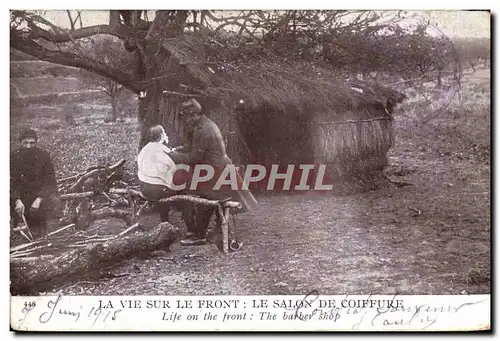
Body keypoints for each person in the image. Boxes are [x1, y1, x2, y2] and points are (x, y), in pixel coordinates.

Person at [169, 98, 258, 246]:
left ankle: (200, 235)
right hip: (217, 167)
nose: (185, 121)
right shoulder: (205, 124)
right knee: (214, 200)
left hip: (214, 170)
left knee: (207, 199)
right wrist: (182, 148)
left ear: (193, 115)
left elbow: (194, 157)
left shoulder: (203, 130)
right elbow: (197, 148)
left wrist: (173, 156)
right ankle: (214, 229)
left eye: (186, 117)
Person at [137, 124, 195, 230]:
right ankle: (191, 229)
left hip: (143, 187)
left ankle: (165, 220)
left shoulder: (145, 148)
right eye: (164, 133)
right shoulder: (162, 149)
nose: (166, 135)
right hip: (156, 189)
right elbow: (179, 159)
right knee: (184, 192)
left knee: (164, 183)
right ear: (161, 135)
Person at [10, 129, 59, 240]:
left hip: (40, 193)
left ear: (36, 142)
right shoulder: (13, 156)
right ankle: (18, 232)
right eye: (25, 143)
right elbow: (12, 181)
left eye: (32, 143)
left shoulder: (43, 156)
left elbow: (50, 180)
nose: (28, 146)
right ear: (20, 142)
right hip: (21, 194)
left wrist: (39, 199)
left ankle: (48, 234)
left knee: (53, 202)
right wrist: (16, 199)